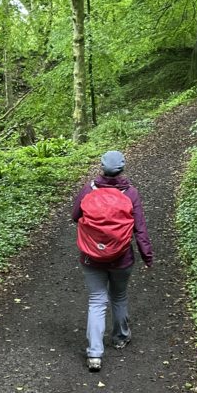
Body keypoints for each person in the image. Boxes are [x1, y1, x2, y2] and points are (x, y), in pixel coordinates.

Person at [71, 150, 154, 372]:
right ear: (122, 167)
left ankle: (95, 355)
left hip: (91, 257)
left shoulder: (89, 189)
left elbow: (74, 216)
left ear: (102, 167)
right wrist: (147, 256)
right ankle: (120, 337)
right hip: (122, 257)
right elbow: (140, 229)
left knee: (97, 301)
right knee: (119, 296)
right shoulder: (131, 193)